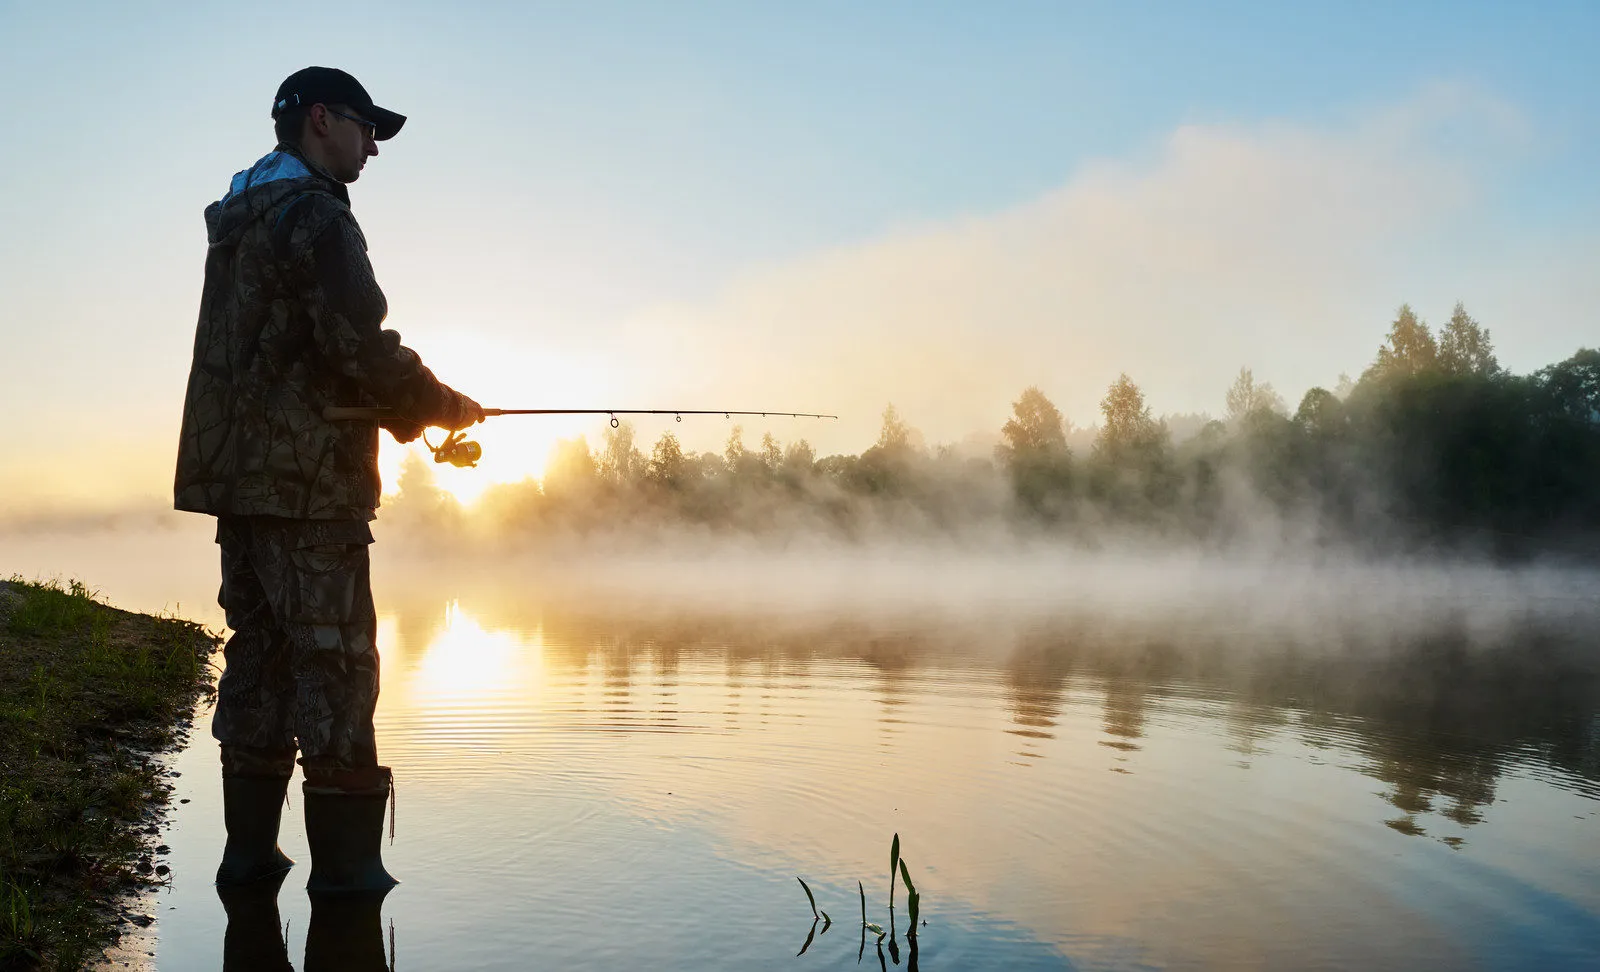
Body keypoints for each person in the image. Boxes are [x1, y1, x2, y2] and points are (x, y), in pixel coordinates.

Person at [175, 66, 482, 892]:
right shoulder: (316, 216)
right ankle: (347, 885)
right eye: (364, 126)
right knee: (338, 667)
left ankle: (248, 860)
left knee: (262, 659)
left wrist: (410, 411)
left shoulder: (241, 220)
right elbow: (357, 346)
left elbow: (287, 355)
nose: (373, 145)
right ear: (320, 120)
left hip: (240, 483)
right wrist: (442, 404)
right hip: (311, 489)